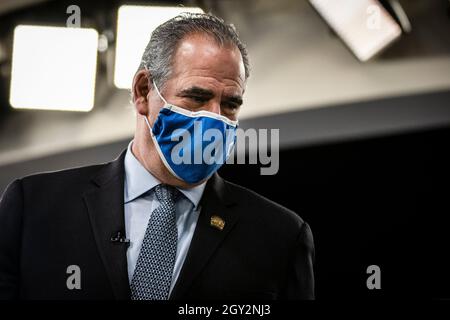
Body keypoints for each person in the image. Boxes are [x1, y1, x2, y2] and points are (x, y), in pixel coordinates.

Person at [0, 13, 314, 300]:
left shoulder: (278, 236)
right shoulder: (35, 208)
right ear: (142, 91)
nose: (215, 119)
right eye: (197, 97)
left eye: (230, 104)